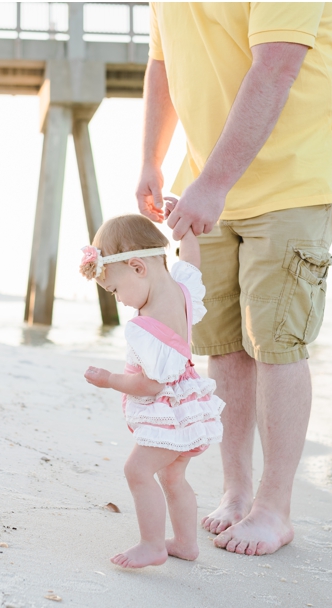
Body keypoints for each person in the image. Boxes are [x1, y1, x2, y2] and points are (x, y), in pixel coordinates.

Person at [137, 3, 332, 556]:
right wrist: (152, 160)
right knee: (224, 344)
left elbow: (277, 66)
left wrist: (213, 183)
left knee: (278, 342)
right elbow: (163, 62)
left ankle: (274, 508)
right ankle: (236, 494)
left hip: (292, 178)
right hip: (209, 179)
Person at [81, 212, 225, 569]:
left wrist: (110, 379)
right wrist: (187, 232)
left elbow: (152, 384)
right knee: (173, 476)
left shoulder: (144, 326)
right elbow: (191, 259)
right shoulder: (182, 288)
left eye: (115, 289)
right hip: (189, 406)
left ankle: (151, 544)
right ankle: (186, 543)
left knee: (137, 471)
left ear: (137, 267)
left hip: (168, 413)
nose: (119, 300)